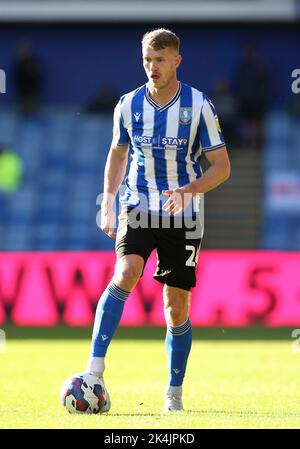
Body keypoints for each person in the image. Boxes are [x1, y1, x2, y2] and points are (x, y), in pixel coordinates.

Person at [85, 28, 230, 413]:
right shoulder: (127, 104)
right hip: (137, 206)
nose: (152, 67)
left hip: (182, 214)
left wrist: (189, 190)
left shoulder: (199, 106)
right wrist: (108, 202)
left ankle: (173, 393)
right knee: (125, 272)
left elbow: (222, 167)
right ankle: (93, 372)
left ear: (176, 61)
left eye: (160, 60)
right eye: (147, 60)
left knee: (175, 307)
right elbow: (117, 155)